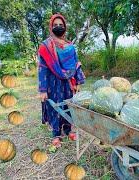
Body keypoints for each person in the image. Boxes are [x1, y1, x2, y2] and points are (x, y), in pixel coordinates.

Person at [38, 13, 85, 148]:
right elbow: (42, 68)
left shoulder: (70, 46)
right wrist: (42, 89)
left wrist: (78, 81)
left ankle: (68, 130)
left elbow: (76, 64)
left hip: (68, 83)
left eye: (61, 25)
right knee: (55, 107)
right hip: (53, 83)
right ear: (51, 27)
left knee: (68, 105)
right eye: (55, 25)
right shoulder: (46, 46)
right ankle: (56, 134)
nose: (58, 27)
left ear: (65, 27)